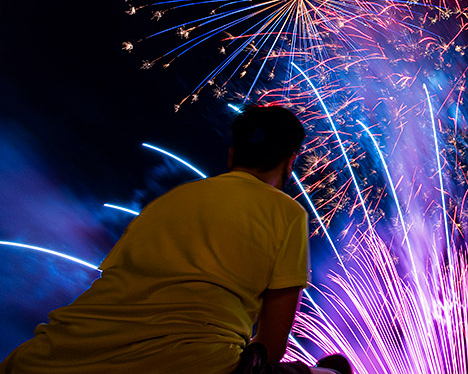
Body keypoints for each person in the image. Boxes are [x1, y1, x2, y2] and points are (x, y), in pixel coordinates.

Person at [1, 105, 351, 374]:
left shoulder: (165, 203)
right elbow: (270, 347)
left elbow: (111, 283)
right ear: (290, 163)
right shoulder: (286, 213)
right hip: (191, 362)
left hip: (47, 358)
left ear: (231, 156)